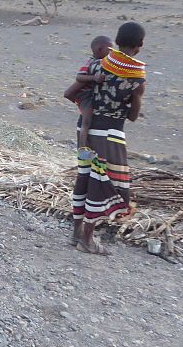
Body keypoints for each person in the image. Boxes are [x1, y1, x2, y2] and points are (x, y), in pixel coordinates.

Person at [71, 21, 147, 255]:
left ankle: (76, 234)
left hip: (84, 129)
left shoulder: (97, 63)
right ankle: (88, 239)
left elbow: (73, 91)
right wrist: (137, 96)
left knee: (85, 177)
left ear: (117, 39)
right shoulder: (136, 76)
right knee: (101, 182)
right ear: (140, 46)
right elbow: (133, 116)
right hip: (109, 134)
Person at [63, 35, 113, 160]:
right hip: (85, 96)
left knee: (87, 119)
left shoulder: (99, 63)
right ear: (100, 49)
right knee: (86, 121)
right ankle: (82, 149)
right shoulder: (91, 63)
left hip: (86, 96)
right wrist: (94, 78)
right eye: (110, 49)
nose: (112, 52)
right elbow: (79, 77)